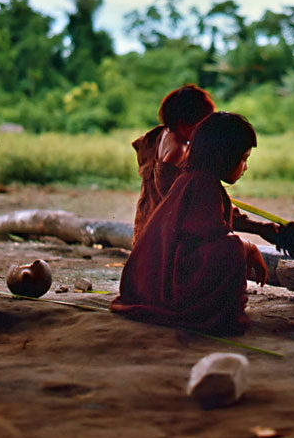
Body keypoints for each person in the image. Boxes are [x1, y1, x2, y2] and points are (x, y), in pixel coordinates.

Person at [112, 112, 268, 336]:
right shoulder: (202, 185)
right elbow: (211, 241)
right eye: (243, 159)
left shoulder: (192, 178)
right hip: (174, 287)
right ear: (223, 156)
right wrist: (248, 247)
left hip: (160, 282)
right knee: (232, 249)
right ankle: (204, 311)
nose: (245, 167)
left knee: (233, 246)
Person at [131, 84, 216, 247]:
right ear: (184, 126)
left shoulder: (159, 135)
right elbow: (180, 203)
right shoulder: (178, 150)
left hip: (145, 227)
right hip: (163, 240)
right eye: (203, 126)